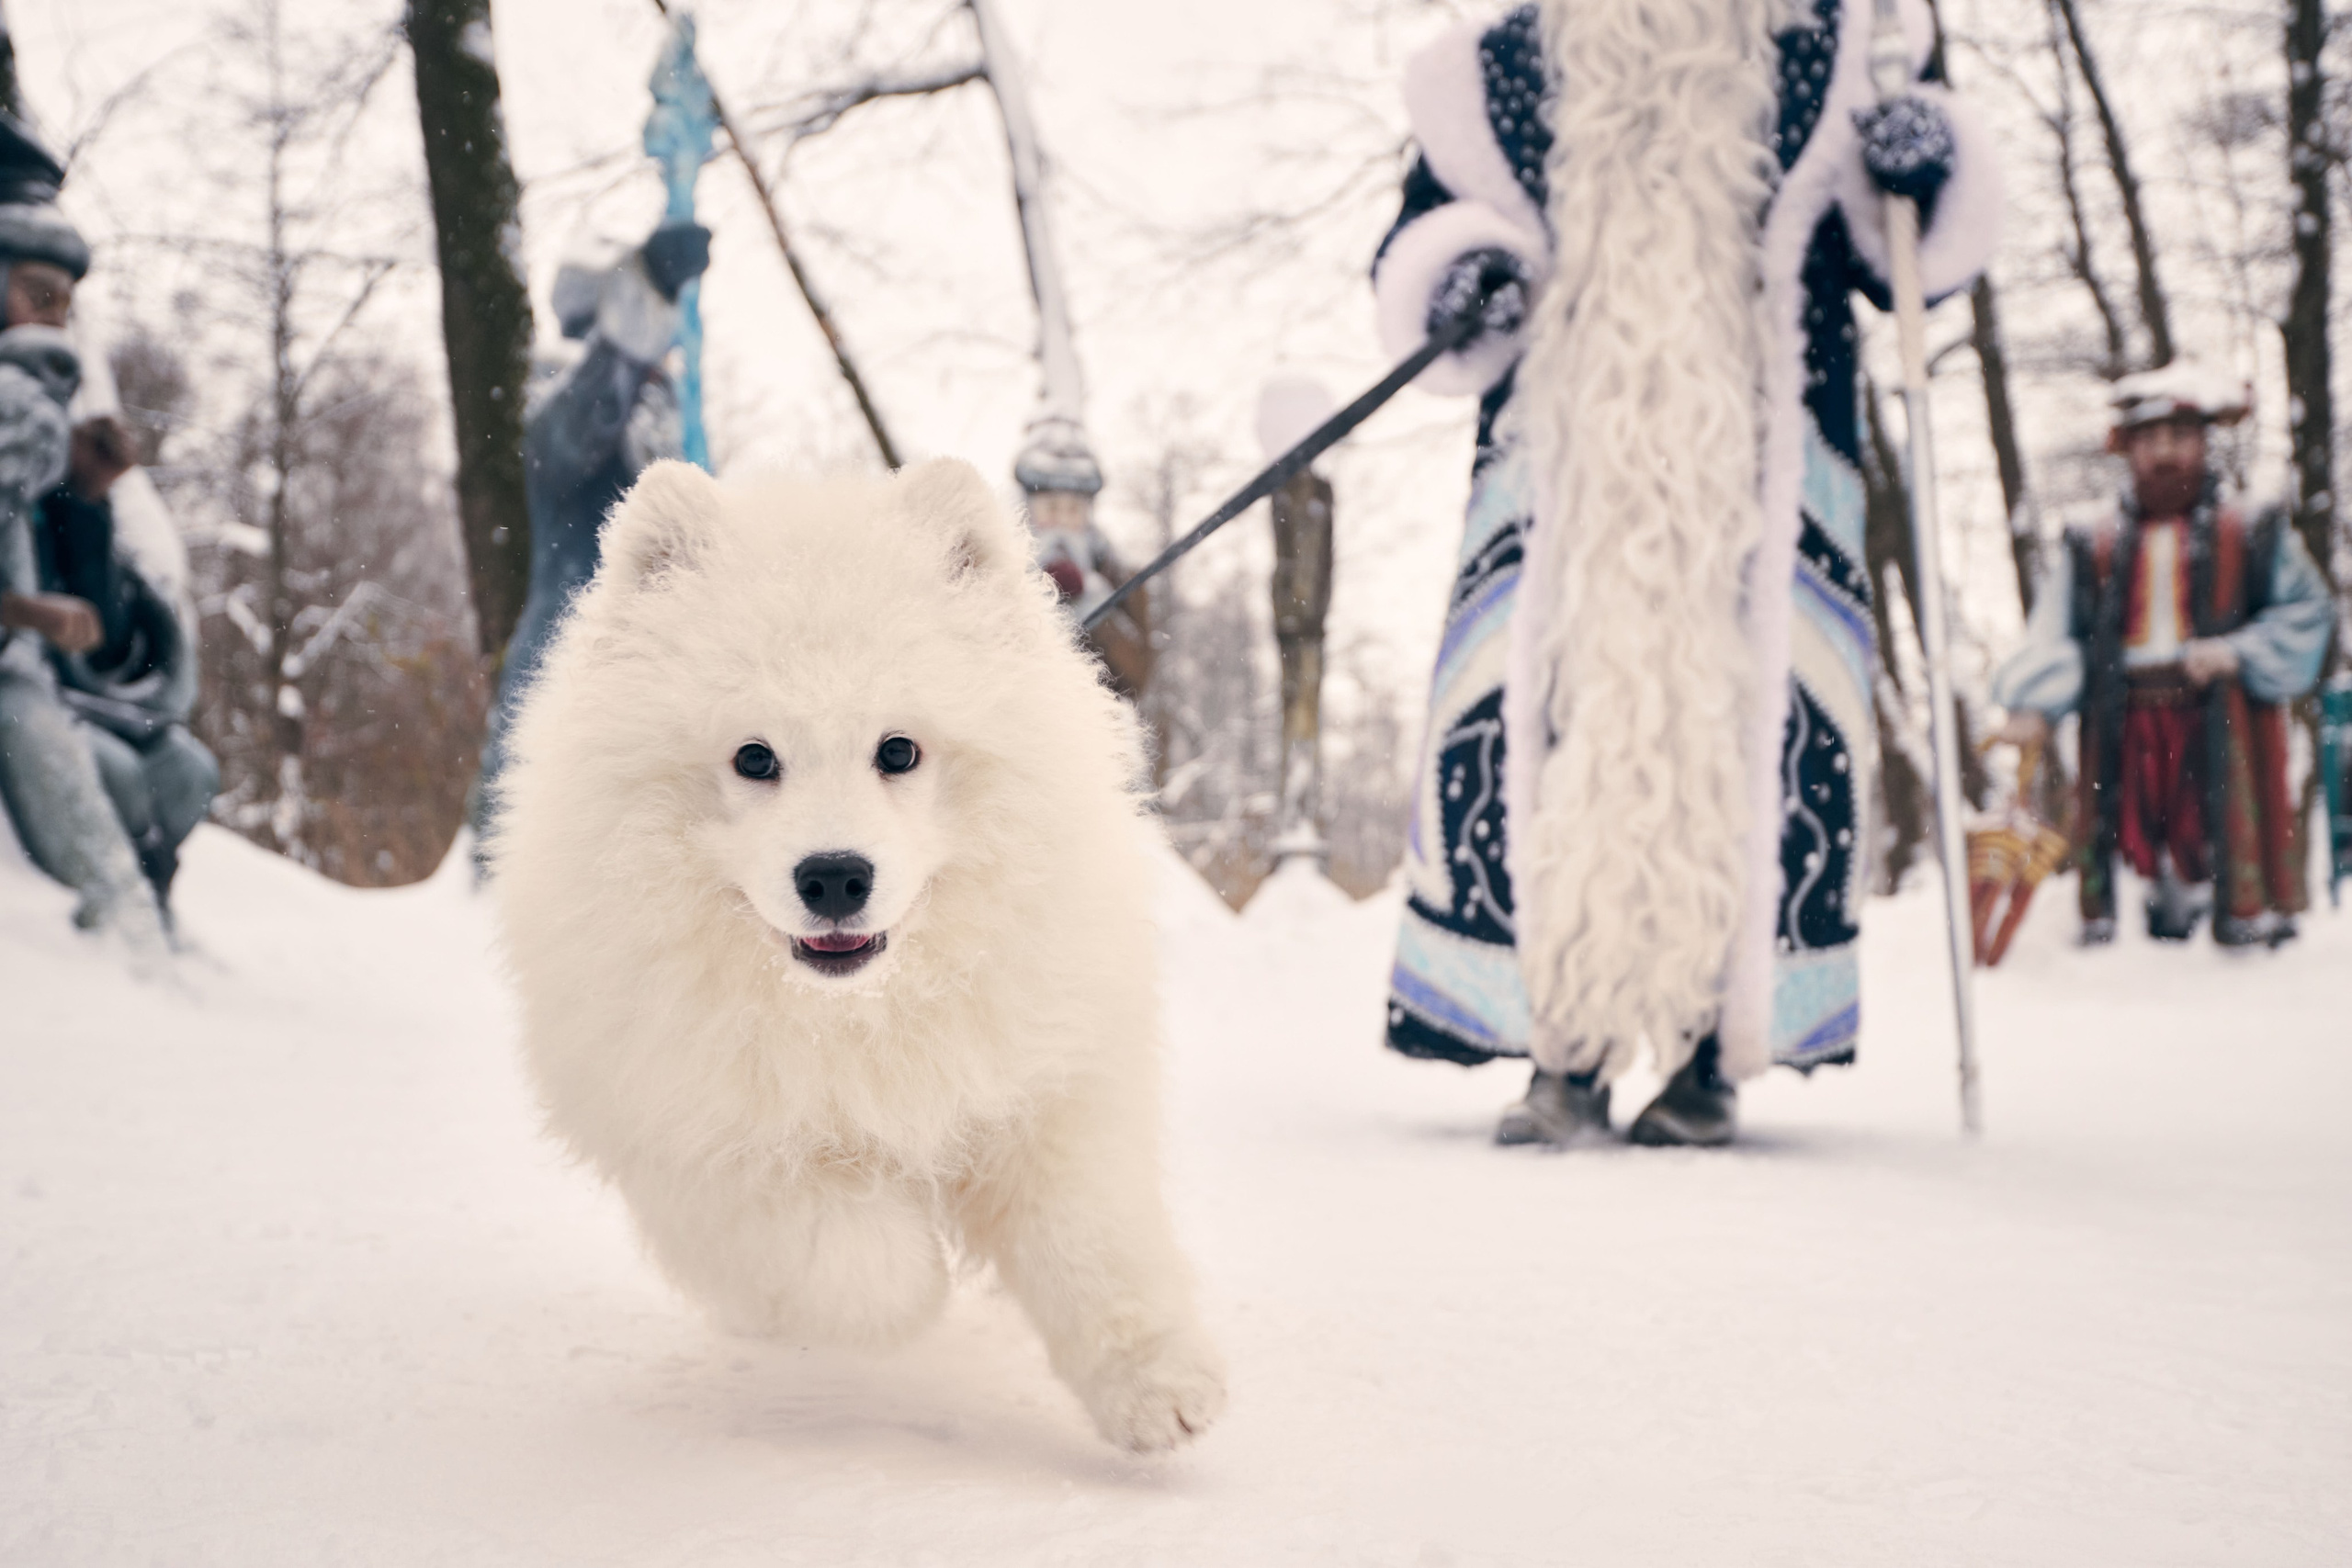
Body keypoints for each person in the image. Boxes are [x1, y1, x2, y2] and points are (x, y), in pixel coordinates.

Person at [1372, 0, 2001, 1145]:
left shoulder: (1842, 45)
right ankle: (1562, 1052)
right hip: (1562, 474)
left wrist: (1925, 161)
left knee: (1752, 742)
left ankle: (1712, 1050)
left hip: (1763, 470)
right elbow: (1425, 240)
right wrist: (1464, 279)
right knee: (1541, 739)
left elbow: (1898, 262)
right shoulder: (1498, 70)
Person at [1990, 365, 2332, 947]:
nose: (2165, 452)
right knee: (2127, 836)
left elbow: (2307, 613)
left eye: (2179, 436)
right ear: (2128, 450)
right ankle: (2131, 945)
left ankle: (2239, 940)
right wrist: (2033, 702)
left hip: (2224, 718)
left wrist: (2236, 652)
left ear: (2204, 442)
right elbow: (2053, 634)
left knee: (2224, 829)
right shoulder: (2089, 541)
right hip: (2123, 721)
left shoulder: (2252, 528)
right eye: (2150, 440)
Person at [0, 115, 179, 949]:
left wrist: (89, 497)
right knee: (96, 778)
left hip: (52, 681)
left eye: (64, 308)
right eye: (37, 297)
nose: (53, 325)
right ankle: (125, 957)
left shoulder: (42, 423)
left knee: (180, 773)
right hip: (18, 689)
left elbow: (98, 622)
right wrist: (24, 614)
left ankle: (150, 941)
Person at [473, 219, 709, 820]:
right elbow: (583, 424)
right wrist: (647, 291)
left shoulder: (660, 405)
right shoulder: (562, 386)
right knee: (535, 834)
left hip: (669, 662)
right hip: (572, 655)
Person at [1016, 414, 1151, 703]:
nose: (1063, 522)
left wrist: (1094, 612)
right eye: (1051, 508)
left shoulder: (1121, 577)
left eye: (1074, 510)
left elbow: (1136, 679)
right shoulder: (999, 567)